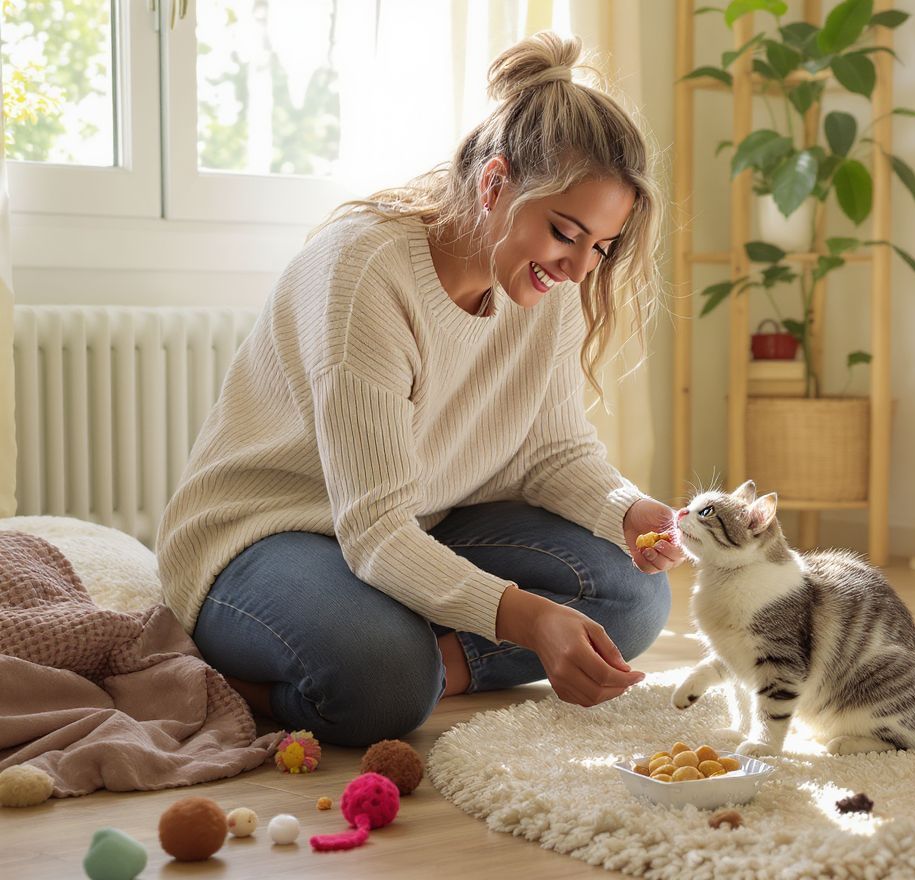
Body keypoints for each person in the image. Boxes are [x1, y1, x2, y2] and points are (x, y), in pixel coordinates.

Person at [155, 31, 684, 747]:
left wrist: (627, 510)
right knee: (384, 681)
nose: (580, 268)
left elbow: (553, 451)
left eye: (602, 247)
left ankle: (421, 659)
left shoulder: (545, 280)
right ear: (495, 185)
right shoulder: (365, 274)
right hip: (269, 533)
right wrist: (526, 618)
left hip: (420, 522)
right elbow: (373, 531)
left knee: (635, 592)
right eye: (567, 233)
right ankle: (307, 669)